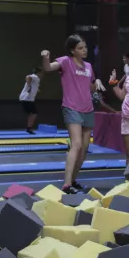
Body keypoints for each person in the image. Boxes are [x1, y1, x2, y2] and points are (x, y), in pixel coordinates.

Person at [41, 35, 105, 195]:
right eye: (80, 48)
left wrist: (97, 85)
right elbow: (48, 68)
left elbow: (90, 86)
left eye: (85, 47)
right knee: (76, 145)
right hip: (72, 108)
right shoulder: (65, 62)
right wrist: (45, 58)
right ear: (72, 50)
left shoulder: (89, 66)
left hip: (88, 109)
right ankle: (67, 184)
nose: (84, 50)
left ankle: (74, 180)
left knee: (84, 149)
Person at [20, 67, 42, 134]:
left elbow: (32, 83)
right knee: (34, 113)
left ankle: (29, 128)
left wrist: (36, 90)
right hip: (27, 98)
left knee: (33, 113)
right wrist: (29, 87)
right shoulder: (35, 76)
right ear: (38, 72)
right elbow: (28, 77)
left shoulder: (36, 79)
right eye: (41, 72)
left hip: (28, 99)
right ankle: (28, 128)